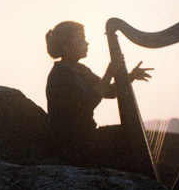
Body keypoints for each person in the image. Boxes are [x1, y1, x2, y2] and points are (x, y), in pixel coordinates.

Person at [45, 21, 152, 171]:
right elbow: (88, 104)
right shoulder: (60, 75)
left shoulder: (80, 70)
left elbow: (108, 91)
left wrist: (131, 76)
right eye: (80, 40)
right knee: (128, 138)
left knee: (131, 134)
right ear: (66, 47)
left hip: (87, 139)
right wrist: (110, 72)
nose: (86, 43)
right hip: (72, 147)